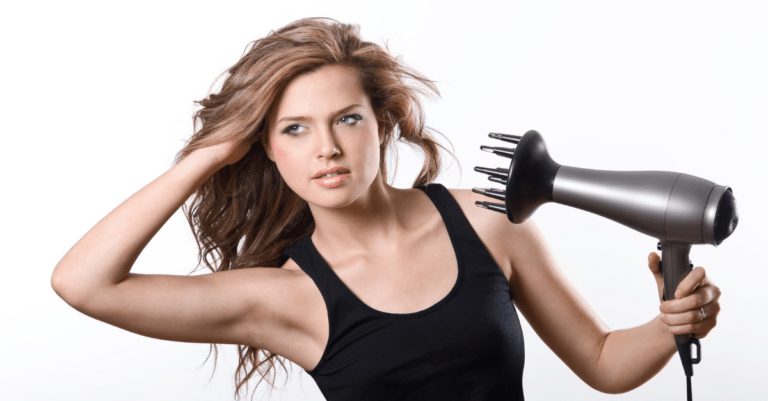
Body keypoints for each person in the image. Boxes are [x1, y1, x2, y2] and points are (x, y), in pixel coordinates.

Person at [50, 17, 722, 400]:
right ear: (269, 152)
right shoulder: (288, 298)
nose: (327, 148)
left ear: (383, 123)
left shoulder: (490, 220)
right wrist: (210, 154)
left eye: (346, 118)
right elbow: (83, 283)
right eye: (294, 129)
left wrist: (671, 324)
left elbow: (603, 361)